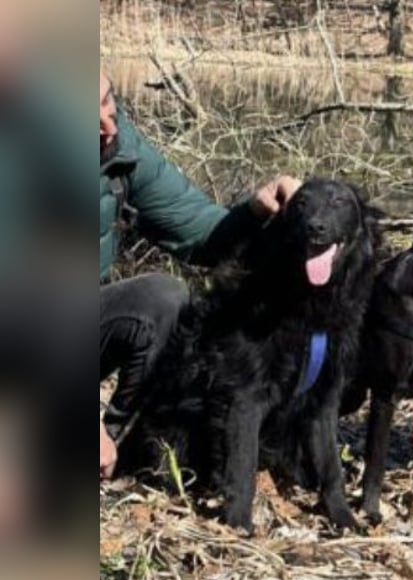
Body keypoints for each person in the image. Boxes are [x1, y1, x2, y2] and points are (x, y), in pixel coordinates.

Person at [99, 70, 301, 479]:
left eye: (106, 101)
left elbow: (202, 235)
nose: (107, 125)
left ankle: (114, 447)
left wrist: (258, 211)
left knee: (164, 297)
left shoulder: (119, 147)